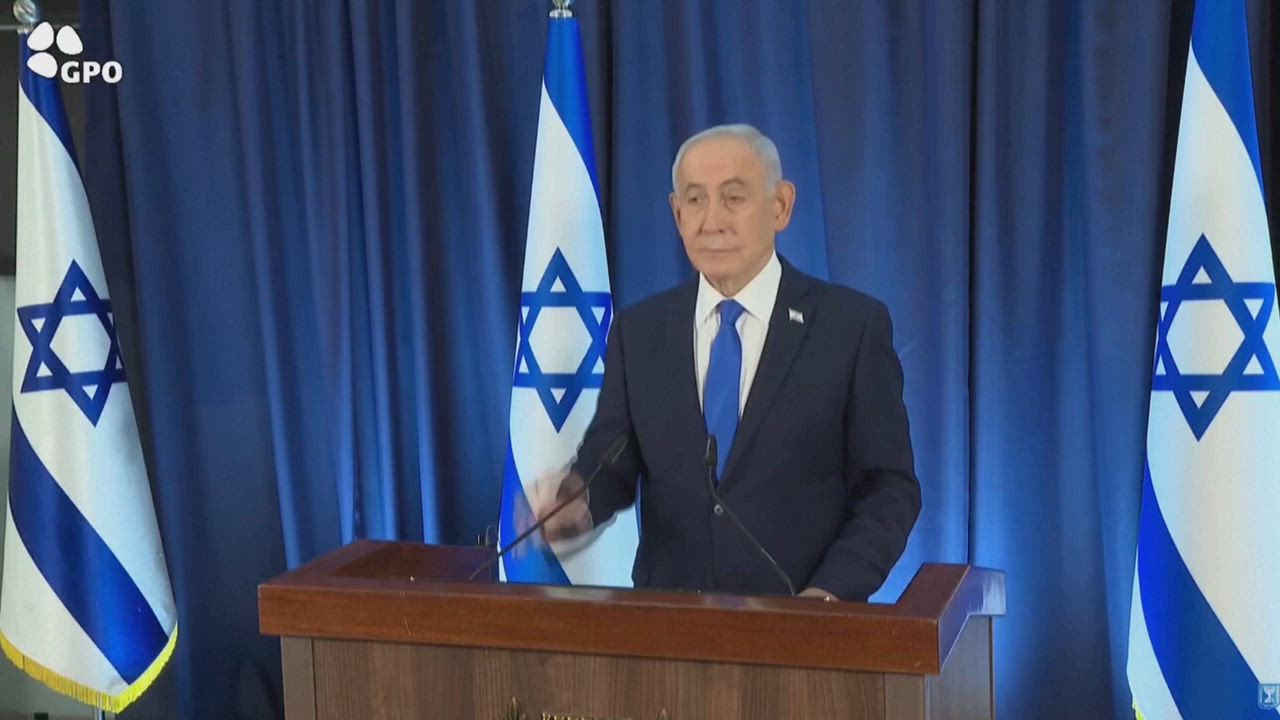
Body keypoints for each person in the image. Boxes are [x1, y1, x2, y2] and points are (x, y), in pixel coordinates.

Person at [531, 124, 920, 601]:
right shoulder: (641, 332)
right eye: (695, 200)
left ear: (781, 206)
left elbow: (888, 489)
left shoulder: (849, 328)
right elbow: (610, 461)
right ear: (677, 214)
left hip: (803, 625)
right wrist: (575, 502)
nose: (711, 221)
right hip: (667, 624)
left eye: (734, 198)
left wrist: (829, 594)